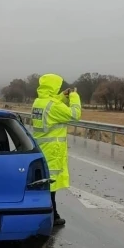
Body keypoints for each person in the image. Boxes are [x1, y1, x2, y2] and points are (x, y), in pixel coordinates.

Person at [31, 74, 82, 226]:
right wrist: (74, 97)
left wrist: (61, 96)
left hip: (41, 147)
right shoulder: (53, 106)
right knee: (50, 185)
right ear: (53, 87)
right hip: (52, 150)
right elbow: (75, 115)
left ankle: (50, 214)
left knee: (45, 184)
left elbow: (52, 104)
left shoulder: (39, 102)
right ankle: (51, 216)